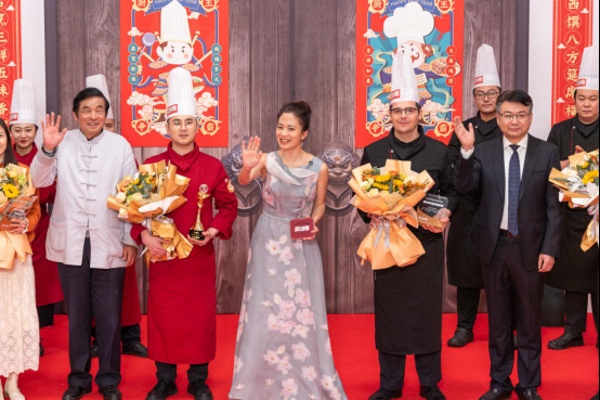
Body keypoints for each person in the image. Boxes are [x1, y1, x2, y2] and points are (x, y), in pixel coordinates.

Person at [130, 67, 237, 400]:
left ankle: (198, 378)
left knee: (198, 319)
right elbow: (132, 210)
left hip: (198, 258)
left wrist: (213, 231)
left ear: (197, 125)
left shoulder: (213, 166)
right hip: (163, 257)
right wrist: (143, 237)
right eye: (176, 122)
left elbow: (228, 207)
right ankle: (164, 378)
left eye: (189, 122)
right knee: (164, 317)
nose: (183, 128)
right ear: (167, 126)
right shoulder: (152, 165)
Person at [228, 101, 347, 400]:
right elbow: (244, 181)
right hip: (267, 241)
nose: (283, 133)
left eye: (291, 128)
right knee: (263, 309)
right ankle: (259, 381)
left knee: (302, 310)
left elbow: (320, 204)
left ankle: (303, 377)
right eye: (280, 127)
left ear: (304, 133)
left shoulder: (319, 167)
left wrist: (313, 221)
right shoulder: (267, 160)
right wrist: (247, 166)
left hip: (302, 241)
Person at [30, 88, 138, 400]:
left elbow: (132, 195)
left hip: (109, 239)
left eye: (99, 109)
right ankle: (78, 379)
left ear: (106, 114)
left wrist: (129, 237)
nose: (93, 116)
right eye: (86, 110)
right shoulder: (61, 142)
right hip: (71, 241)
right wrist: (47, 150)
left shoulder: (120, 145)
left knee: (109, 316)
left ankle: (109, 379)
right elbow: (39, 181)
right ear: (75, 115)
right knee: (77, 316)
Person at [454, 89, 562, 400]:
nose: (514, 121)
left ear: (530, 117)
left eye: (520, 115)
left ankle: (528, 383)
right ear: (499, 118)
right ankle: (499, 382)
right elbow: (465, 187)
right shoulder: (483, 151)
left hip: (531, 248)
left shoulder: (547, 152)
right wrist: (466, 152)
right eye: (508, 115)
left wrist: (549, 248)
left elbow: (554, 206)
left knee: (529, 320)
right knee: (498, 321)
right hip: (494, 247)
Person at [363, 51, 457, 400]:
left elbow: (452, 192)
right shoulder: (374, 152)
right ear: (388, 115)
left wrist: (445, 213)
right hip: (387, 242)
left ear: (420, 113)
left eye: (409, 110)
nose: (403, 116)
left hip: (426, 244)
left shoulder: (438, 152)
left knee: (426, 313)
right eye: (397, 110)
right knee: (390, 313)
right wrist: (371, 215)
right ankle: (390, 384)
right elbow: (361, 196)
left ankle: (430, 383)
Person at [85, 74, 147, 359]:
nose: (103, 128)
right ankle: (99, 339)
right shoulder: (78, 153)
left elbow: (136, 194)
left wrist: (130, 235)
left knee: (126, 289)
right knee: (94, 288)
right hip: (91, 231)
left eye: (109, 124)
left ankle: (131, 338)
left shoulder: (123, 151)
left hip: (120, 229)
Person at [446, 44, 504, 348]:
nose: (486, 98)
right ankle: (464, 327)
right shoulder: (463, 128)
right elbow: (451, 168)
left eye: (491, 93)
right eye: (480, 94)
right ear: (474, 97)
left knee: (502, 272)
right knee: (467, 269)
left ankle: (503, 329)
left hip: (501, 209)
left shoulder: (509, 126)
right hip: (468, 209)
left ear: (500, 95)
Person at [545, 44, 599, 351]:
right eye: (582, 98)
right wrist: (570, 163)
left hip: (599, 216)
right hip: (571, 216)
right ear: (574, 99)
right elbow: (547, 169)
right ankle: (573, 332)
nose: (587, 104)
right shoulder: (561, 130)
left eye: (593, 98)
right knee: (574, 278)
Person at [9, 79, 63, 359]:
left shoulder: (45, 156)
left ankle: (34, 336)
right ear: (10, 131)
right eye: (17, 129)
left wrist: (30, 199)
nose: (22, 135)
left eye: (28, 129)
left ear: (36, 131)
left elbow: (52, 191)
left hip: (38, 228)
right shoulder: (3, 155)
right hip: (6, 231)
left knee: (37, 283)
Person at [0, 117, 41, 400]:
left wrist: (26, 223)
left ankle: (12, 381)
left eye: (0, 135)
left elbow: (35, 210)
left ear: (7, 138)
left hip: (16, 253)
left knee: (17, 315)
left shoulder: (22, 172)